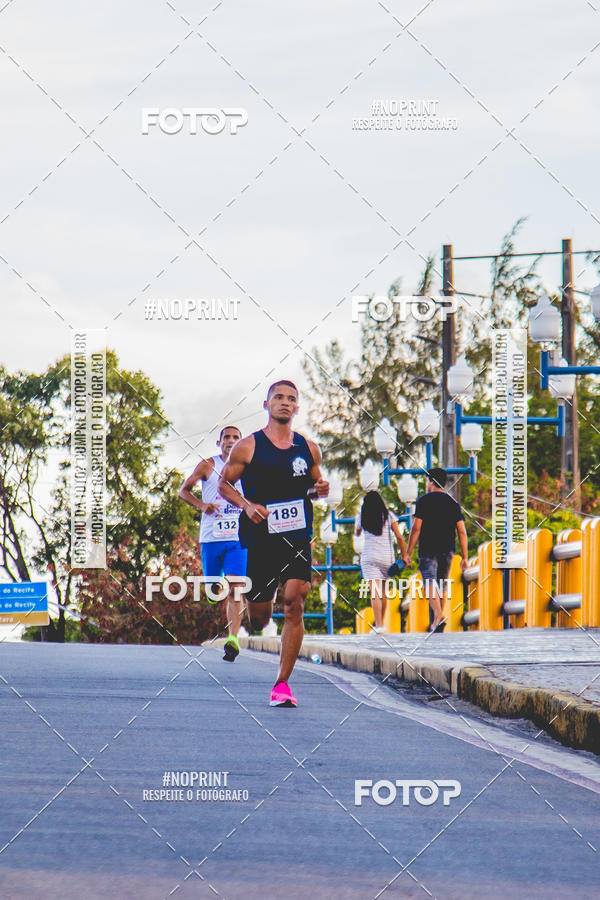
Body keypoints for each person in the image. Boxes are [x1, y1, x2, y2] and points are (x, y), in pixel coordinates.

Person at [218, 380, 329, 707]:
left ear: (297, 407)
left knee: (295, 601)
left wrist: (319, 490)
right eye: (278, 397)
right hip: (259, 538)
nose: (284, 402)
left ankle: (282, 684)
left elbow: (312, 487)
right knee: (261, 616)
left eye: (291, 399)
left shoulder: (309, 449)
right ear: (267, 405)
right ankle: (256, 614)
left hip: (296, 535)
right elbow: (224, 484)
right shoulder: (248, 447)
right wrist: (247, 505)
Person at [179, 425, 247, 661]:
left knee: (236, 586)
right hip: (211, 538)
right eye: (226, 437)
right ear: (219, 443)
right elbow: (183, 491)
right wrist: (202, 506)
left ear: (241, 442)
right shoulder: (208, 465)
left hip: (238, 539)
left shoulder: (248, 468)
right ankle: (212, 588)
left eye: (235, 437)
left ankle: (233, 639)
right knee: (213, 589)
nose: (231, 440)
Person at [403, 467, 469, 633]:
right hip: (447, 549)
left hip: (428, 549)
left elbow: (416, 528)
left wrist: (407, 552)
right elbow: (461, 530)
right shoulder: (453, 503)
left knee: (429, 582)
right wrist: (465, 557)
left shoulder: (424, 501)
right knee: (442, 583)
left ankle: (438, 616)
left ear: (431, 482)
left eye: (427, 481)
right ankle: (438, 620)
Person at [355, 491, 407, 633]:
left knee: (375, 592)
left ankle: (378, 625)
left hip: (369, 557)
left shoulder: (361, 517)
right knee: (382, 591)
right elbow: (400, 537)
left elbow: (357, 533)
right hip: (386, 559)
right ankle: (381, 624)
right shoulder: (388, 515)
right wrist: (404, 555)